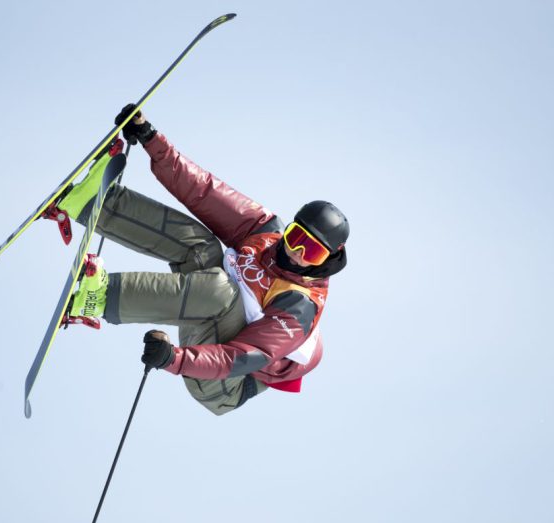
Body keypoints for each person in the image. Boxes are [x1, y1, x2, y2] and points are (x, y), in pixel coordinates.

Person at [50, 104, 349, 415]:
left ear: (326, 260)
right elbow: (203, 192)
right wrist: (151, 139)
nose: (296, 252)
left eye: (311, 251)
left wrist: (173, 359)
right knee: (203, 247)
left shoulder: (299, 306)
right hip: (213, 321)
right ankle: (89, 203)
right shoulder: (265, 233)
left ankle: (97, 300)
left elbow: (242, 356)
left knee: (223, 290)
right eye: (296, 237)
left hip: (224, 383)